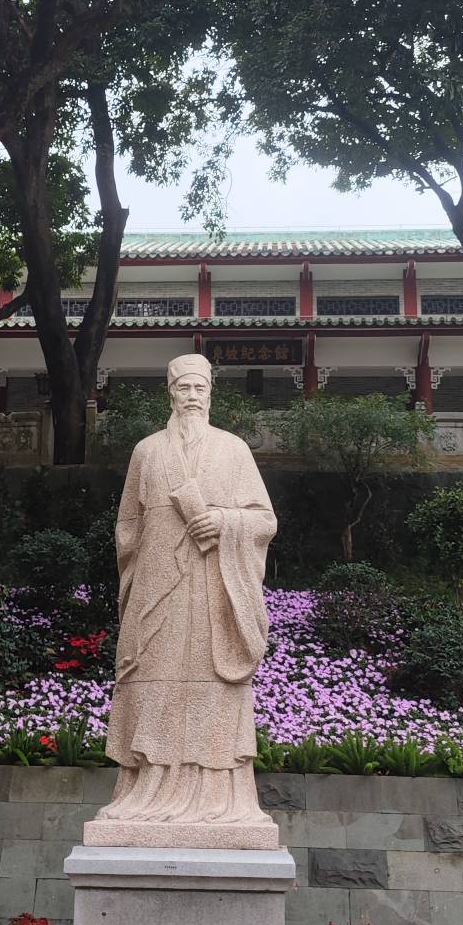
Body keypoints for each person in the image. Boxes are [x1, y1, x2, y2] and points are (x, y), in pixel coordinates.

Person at [91, 352, 278, 840]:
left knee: (213, 684)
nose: (191, 397)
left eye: (200, 388)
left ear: (210, 393)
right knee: (153, 679)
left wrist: (224, 522)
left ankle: (223, 798)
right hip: (159, 589)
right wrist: (147, 559)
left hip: (215, 588)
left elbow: (264, 520)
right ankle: (143, 791)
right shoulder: (147, 452)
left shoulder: (233, 450)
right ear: (169, 393)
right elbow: (127, 525)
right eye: (183, 388)